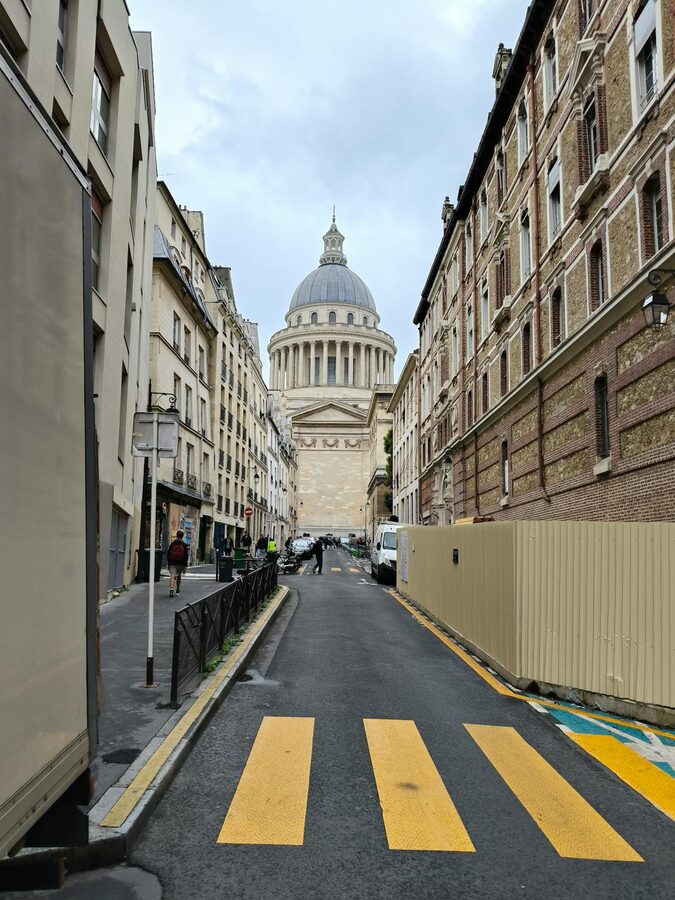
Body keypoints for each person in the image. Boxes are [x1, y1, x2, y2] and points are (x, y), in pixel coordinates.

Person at [167, 530, 189, 597]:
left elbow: (168, 553)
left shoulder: (173, 543)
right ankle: (178, 589)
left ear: (177, 536)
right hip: (181, 563)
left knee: (172, 576)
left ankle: (171, 589)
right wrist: (185, 565)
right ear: (182, 537)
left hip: (172, 562)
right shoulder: (184, 544)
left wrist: (169, 562)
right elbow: (186, 555)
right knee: (179, 575)